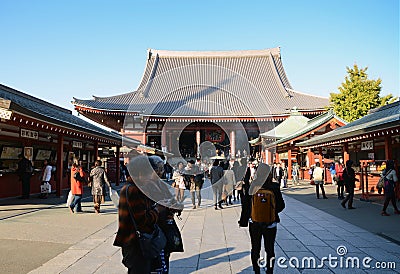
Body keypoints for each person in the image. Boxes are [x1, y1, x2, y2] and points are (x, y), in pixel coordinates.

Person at [114, 155, 180, 274]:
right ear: (140, 173)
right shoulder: (133, 190)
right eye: (149, 172)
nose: (154, 175)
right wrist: (158, 209)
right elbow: (142, 220)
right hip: (136, 241)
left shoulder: (139, 187)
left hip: (142, 240)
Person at [239, 163, 285, 274]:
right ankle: (269, 271)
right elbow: (281, 205)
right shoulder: (274, 187)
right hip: (271, 223)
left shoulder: (252, 186)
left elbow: (246, 206)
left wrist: (244, 221)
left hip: (255, 222)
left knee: (255, 248)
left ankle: (257, 271)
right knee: (270, 249)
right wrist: (272, 212)